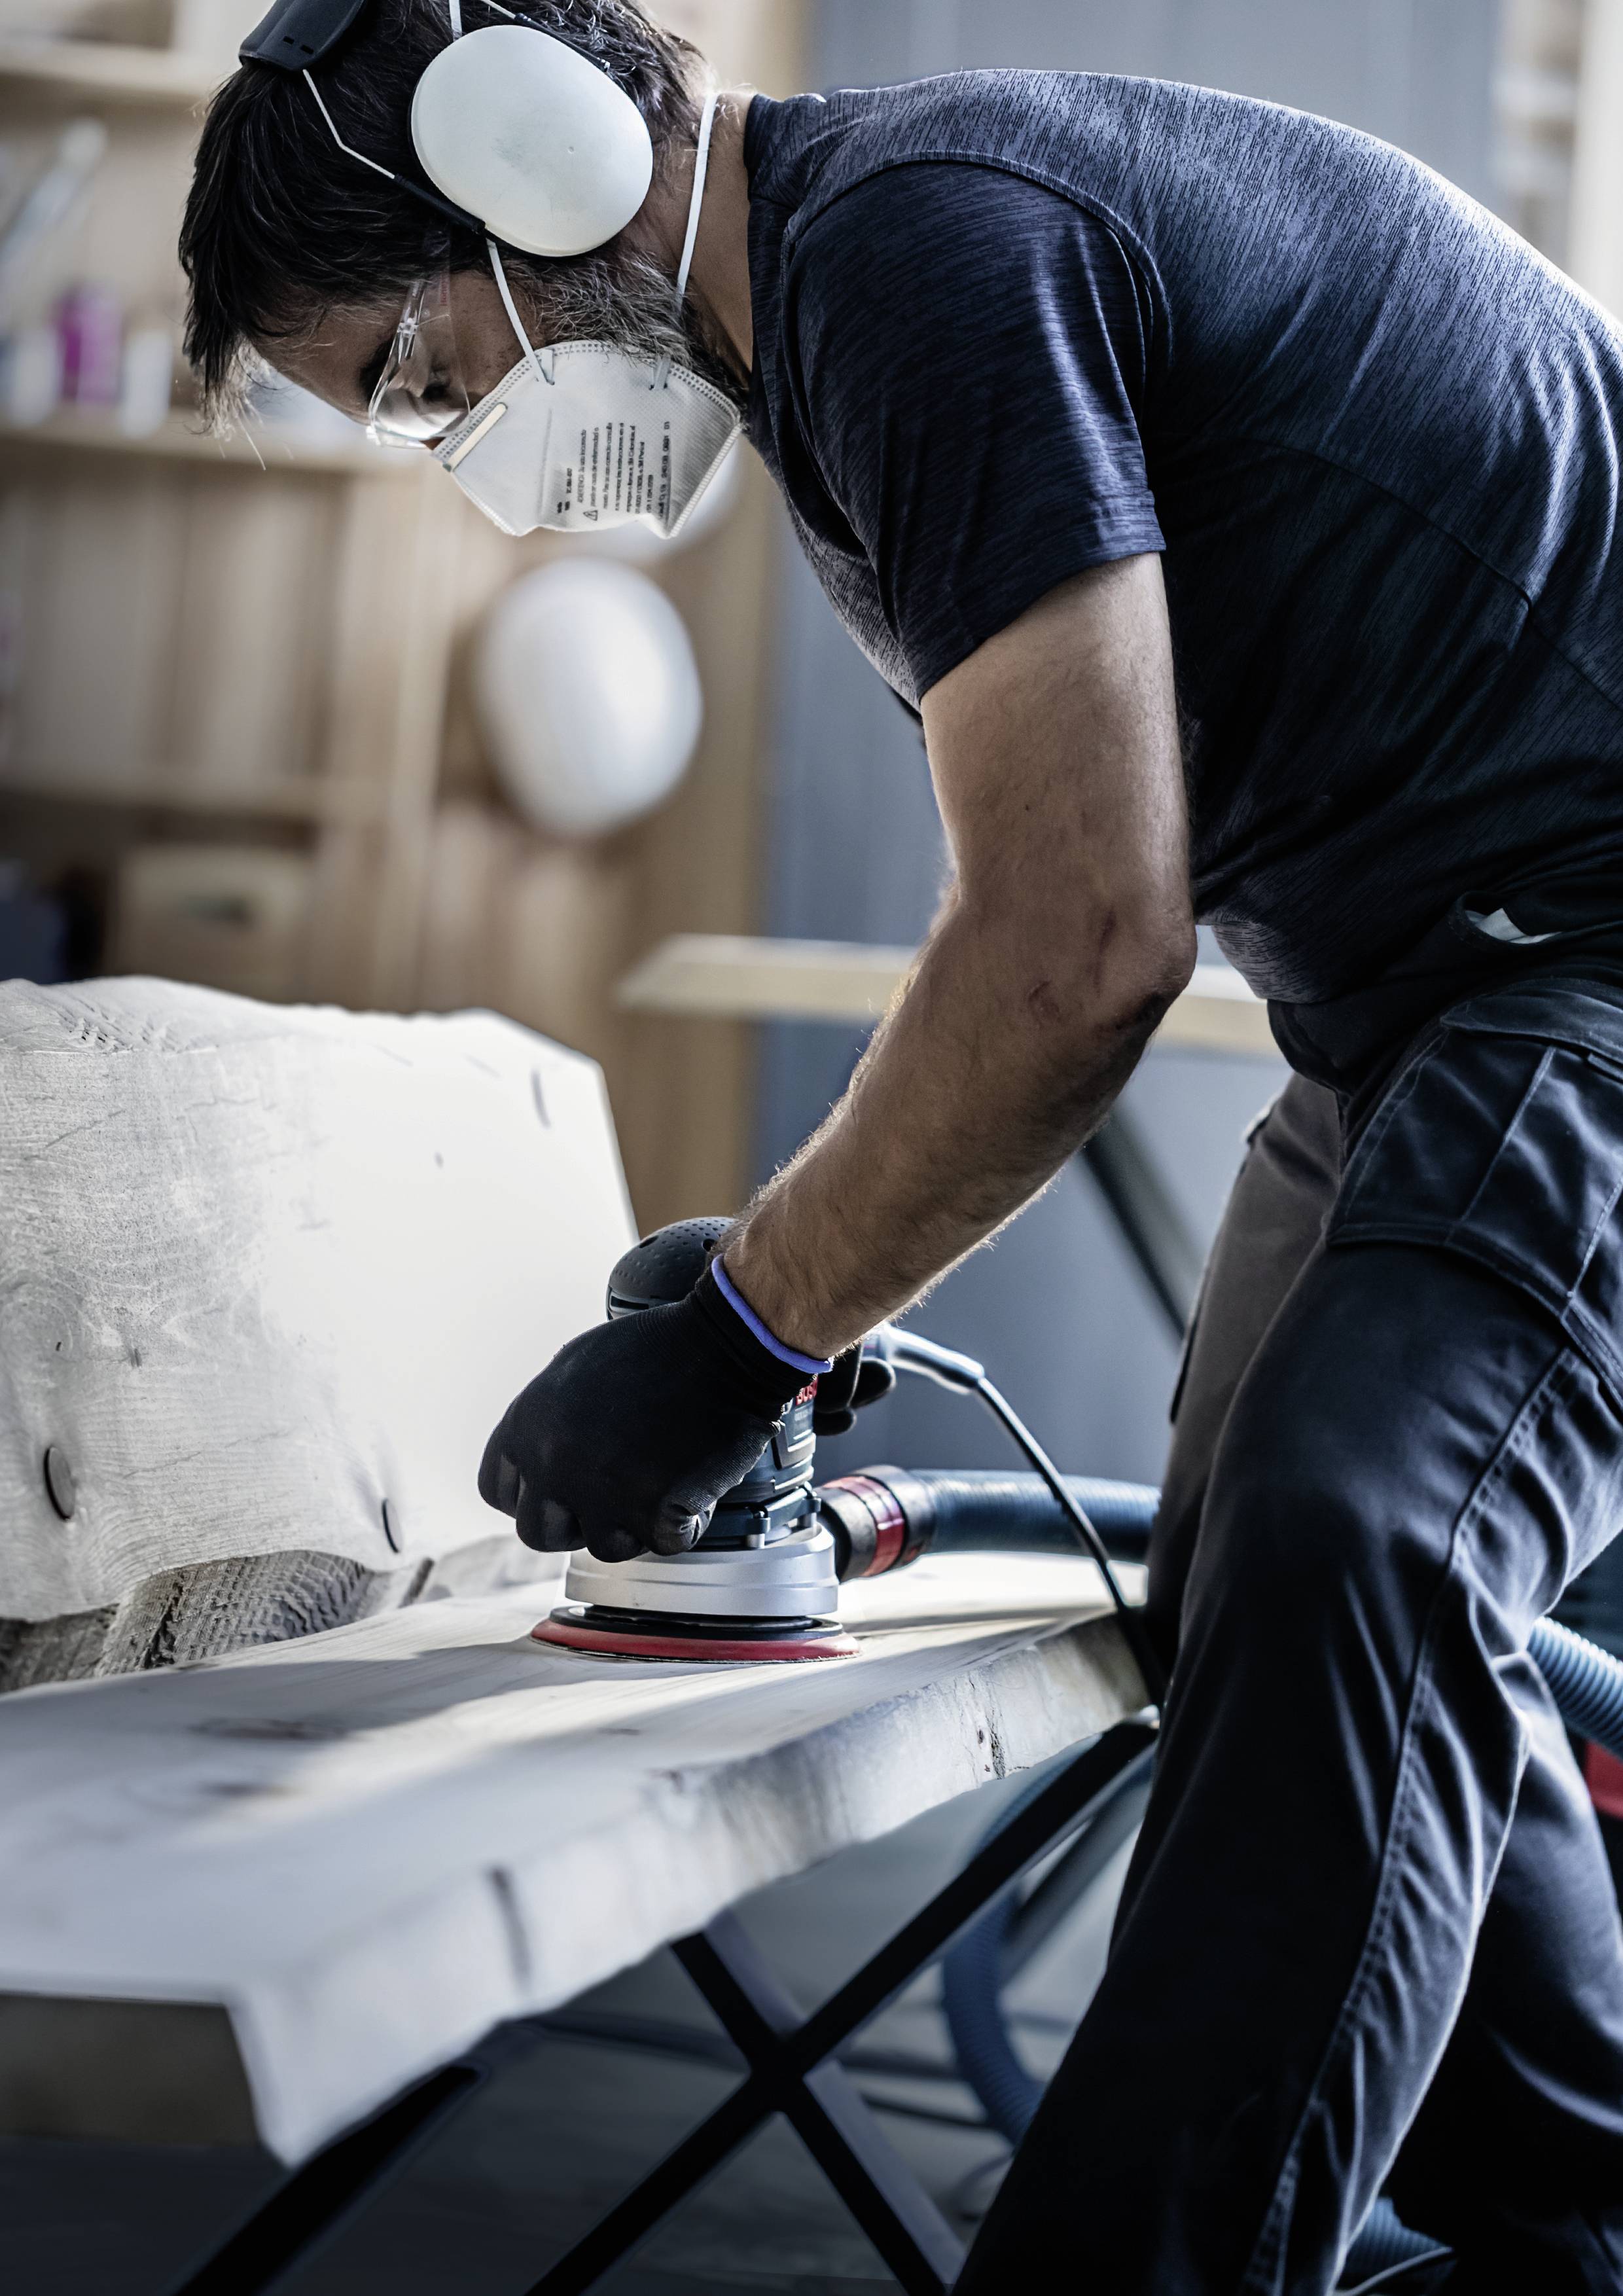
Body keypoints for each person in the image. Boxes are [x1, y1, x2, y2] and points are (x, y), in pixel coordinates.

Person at [181, 4, 1623, 2287]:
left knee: (1365, 1533)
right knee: (1269, 1560)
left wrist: (759, 1320)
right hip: (1420, 1000)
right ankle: (1571, 2227)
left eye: (417, 368)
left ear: (535, 167)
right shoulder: (851, 321)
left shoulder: (923, 275)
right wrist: (787, 1287)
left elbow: (1079, 939)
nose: (455, 443)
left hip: (1586, 959)